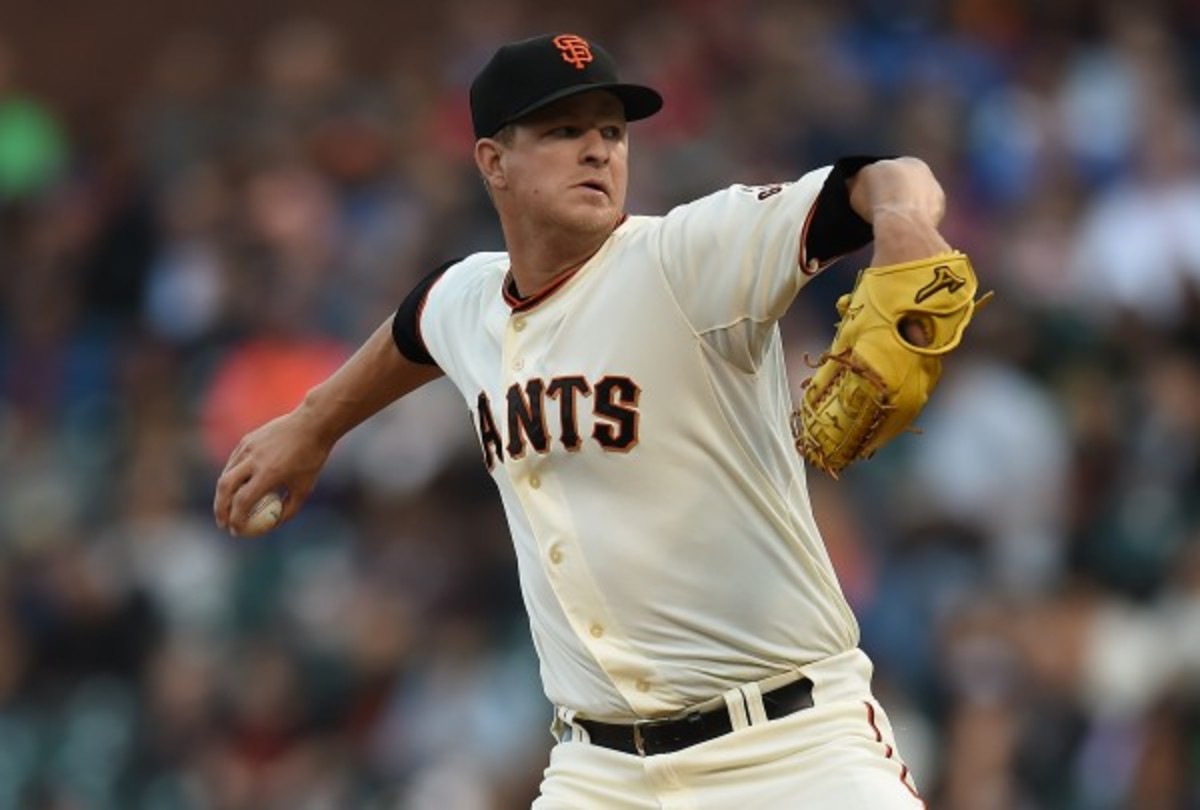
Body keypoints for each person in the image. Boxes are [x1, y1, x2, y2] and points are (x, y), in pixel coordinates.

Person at [214, 31, 952, 808]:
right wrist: (314, 422)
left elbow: (885, 179)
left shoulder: (686, 258)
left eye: (611, 131)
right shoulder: (472, 299)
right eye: (565, 132)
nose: (598, 151)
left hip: (791, 746)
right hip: (601, 769)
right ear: (493, 162)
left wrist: (902, 219)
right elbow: (418, 323)